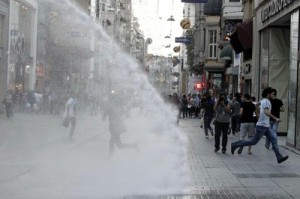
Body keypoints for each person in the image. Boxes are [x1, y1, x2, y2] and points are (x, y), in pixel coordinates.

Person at [231, 87, 289, 164]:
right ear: (268, 94)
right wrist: (275, 118)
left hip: (266, 126)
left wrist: (258, 113)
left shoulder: (263, 101)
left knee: (274, 140)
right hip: (262, 126)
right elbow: (266, 112)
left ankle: (279, 157)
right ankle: (235, 145)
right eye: (272, 93)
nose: (273, 95)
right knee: (253, 141)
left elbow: (256, 105)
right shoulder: (266, 102)